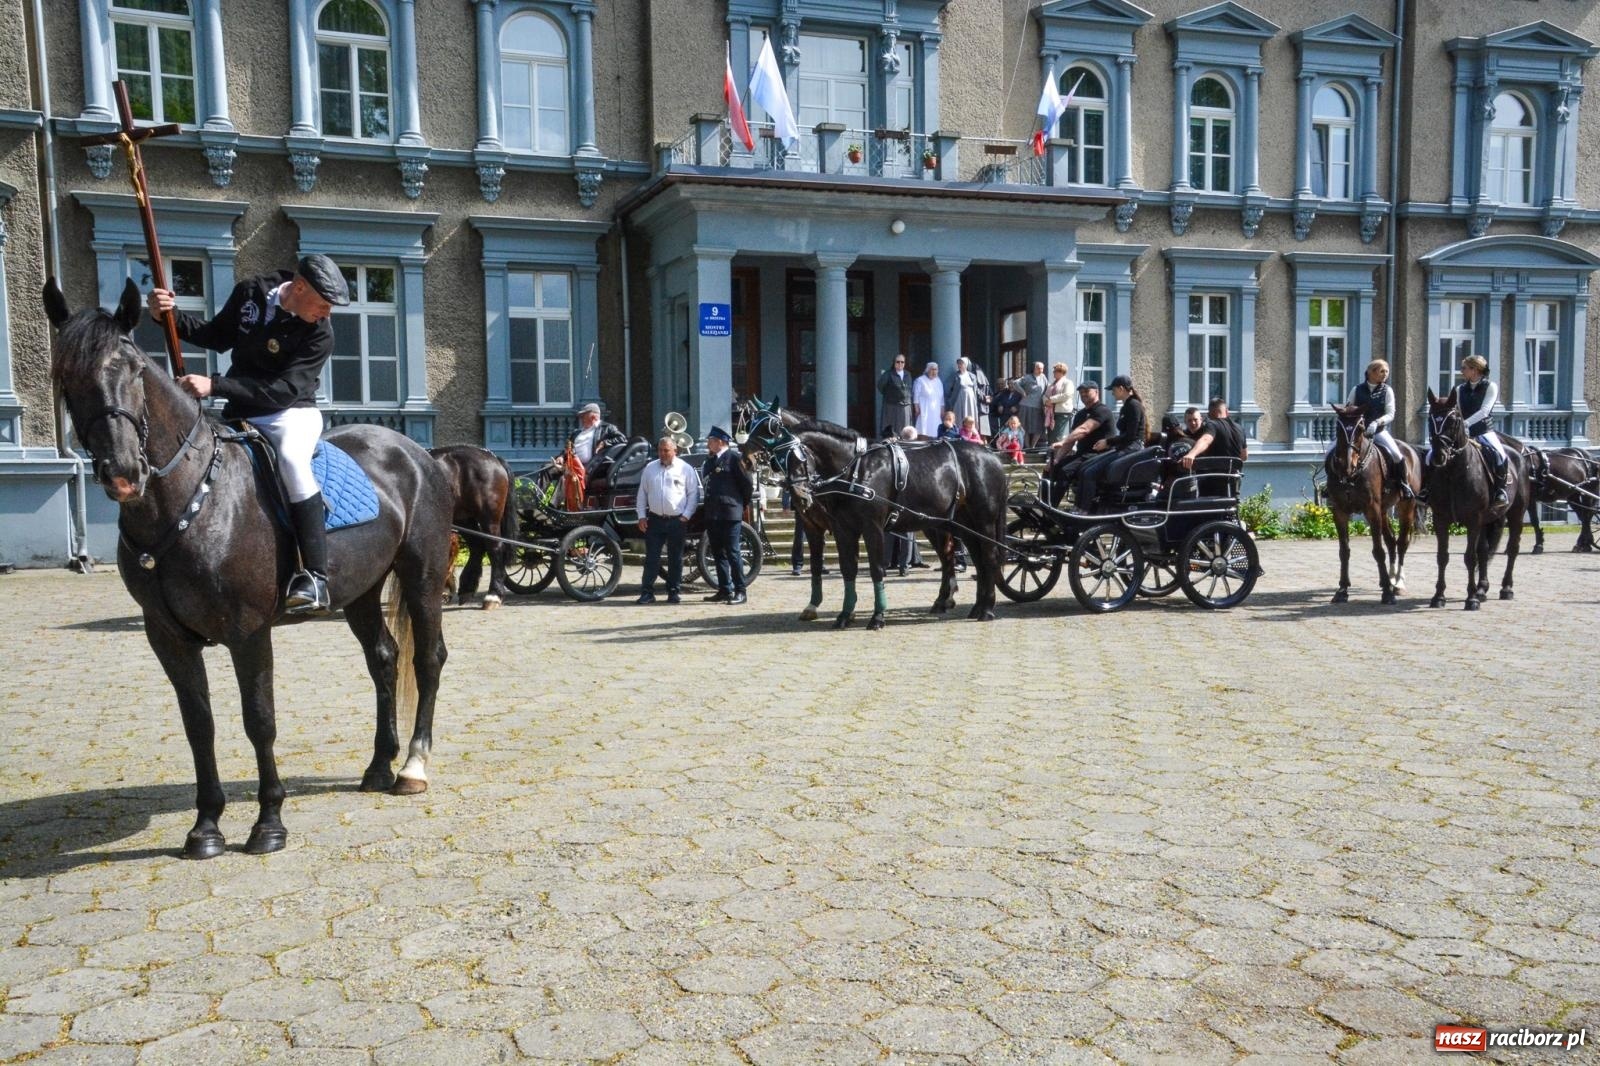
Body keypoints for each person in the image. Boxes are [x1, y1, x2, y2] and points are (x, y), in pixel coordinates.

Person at [148, 253, 349, 614]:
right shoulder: (251, 294)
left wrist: (216, 385)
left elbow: (283, 390)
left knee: (291, 461)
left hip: (290, 413)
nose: (327, 313)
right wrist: (168, 317)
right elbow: (215, 335)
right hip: (241, 411)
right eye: (323, 304)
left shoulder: (321, 333)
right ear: (299, 288)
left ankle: (315, 577)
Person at [1426, 353, 1509, 504]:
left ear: (1475, 370)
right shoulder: (1459, 389)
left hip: (1483, 431)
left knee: (1499, 455)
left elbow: (1485, 411)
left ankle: (1500, 490)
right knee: (1431, 454)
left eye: (1464, 368)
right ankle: (1427, 489)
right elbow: (1457, 411)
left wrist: (1466, 423)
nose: (1461, 371)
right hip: (1462, 433)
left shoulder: (1490, 386)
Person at [1329, 360, 1411, 499]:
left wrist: (1377, 422)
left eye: (1386, 371)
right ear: (1370, 373)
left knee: (1397, 455)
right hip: (1356, 433)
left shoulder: (1387, 390)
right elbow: (1348, 408)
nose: (1385, 375)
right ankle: (1330, 485)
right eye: (1382, 371)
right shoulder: (1357, 389)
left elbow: (1390, 413)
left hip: (1378, 432)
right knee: (1329, 452)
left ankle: (1403, 484)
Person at [635, 436, 701, 604]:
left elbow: (693, 494)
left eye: (666, 450)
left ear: (675, 451)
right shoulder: (650, 468)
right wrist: (641, 515)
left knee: (675, 557)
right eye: (660, 450)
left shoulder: (685, 469)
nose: (662, 454)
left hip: (677, 520)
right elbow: (642, 493)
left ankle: (673, 591)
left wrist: (686, 515)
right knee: (652, 557)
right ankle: (647, 592)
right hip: (655, 519)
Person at [1074, 374, 1148, 508]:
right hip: (1124, 447)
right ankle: (1077, 507)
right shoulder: (1127, 406)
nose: (1112, 393)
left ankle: (1084, 509)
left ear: (1121, 389)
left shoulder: (1134, 406)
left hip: (1132, 448)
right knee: (1085, 468)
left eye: (1113, 390)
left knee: (1090, 472)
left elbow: (1131, 435)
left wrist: (1108, 442)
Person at [701, 426, 753, 604]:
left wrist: (739, 505)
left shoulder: (734, 458)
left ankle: (741, 590)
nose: (708, 443)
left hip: (730, 513)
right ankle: (724, 589)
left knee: (733, 552)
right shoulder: (710, 461)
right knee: (718, 553)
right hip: (713, 513)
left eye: (711, 440)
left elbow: (747, 485)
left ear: (720, 441)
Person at [1047, 379, 1112, 504]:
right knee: (1051, 469)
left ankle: (1052, 507)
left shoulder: (1102, 410)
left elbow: (1084, 429)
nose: (1083, 394)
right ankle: (1043, 503)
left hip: (1098, 455)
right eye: (1081, 392)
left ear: (1096, 392)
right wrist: (1056, 459)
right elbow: (1071, 441)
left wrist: (1064, 440)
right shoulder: (1081, 414)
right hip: (1082, 455)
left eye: (1087, 391)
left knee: (1066, 471)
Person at [878, 354, 915, 434]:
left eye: (902, 362)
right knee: (893, 430)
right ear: (894, 363)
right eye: (898, 362)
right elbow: (880, 386)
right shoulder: (888, 374)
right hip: (892, 406)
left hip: (905, 406)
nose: (900, 364)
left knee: (905, 430)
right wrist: (890, 395)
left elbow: (909, 389)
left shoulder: (908, 374)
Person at [947, 357, 982, 435]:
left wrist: (982, 397)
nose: (959, 365)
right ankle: (959, 433)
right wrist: (950, 400)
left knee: (970, 415)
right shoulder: (955, 375)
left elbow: (976, 389)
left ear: (966, 365)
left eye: (961, 363)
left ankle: (971, 433)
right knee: (959, 415)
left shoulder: (972, 376)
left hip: (970, 398)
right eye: (958, 363)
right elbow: (949, 388)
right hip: (959, 397)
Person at [1043, 362, 1076, 443]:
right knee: (1050, 435)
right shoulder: (1052, 384)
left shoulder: (1068, 382)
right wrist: (1045, 401)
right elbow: (1044, 395)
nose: (1053, 373)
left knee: (1057, 436)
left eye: (1055, 371)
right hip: (1050, 413)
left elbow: (1067, 395)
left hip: (1062, 412)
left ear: (1061, 372)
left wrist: (1051, 399)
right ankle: (1050, 454)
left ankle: (1056, 454)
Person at [1017, 362, 1047, 446]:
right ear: (1034, 368)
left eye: (1042, 368)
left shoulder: (1043, 377)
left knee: (1038, 427)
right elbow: (1015, 383)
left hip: (1038, 406)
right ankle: (1027, 447)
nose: (1041, 370)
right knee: (1025, 427)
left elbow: (1047, 389)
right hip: (1026, 405)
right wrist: (1022, 392)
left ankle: (1033, 446)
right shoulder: (1027, 377)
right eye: (1038, 368)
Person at [912, 361, 944, 437]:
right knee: (924, 429)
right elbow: (916, 395)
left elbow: (942, 398)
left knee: (935, 428)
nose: (934, 371)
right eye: (932, 369)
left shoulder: (939, 381)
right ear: (927, 370)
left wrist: (942, 409)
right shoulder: (920, 380)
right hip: (924, 410)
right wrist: (916, 408)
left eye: (936, 369)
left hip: (936, 411)